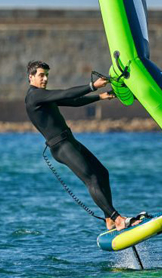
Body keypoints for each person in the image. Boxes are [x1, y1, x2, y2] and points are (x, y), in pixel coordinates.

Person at [25, 60, 140, 231]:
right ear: (31, 77)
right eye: (41, 75)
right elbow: (65, 94)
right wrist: (93, 86)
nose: (45, 79)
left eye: (47, 75)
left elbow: (73, 101)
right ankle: (118, 219)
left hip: (69, 141)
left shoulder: (44, 96)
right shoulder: (34, 96)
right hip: (61, 147)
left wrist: (100, 96)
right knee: (91, 179)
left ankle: (109, 218)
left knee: (102, 173)